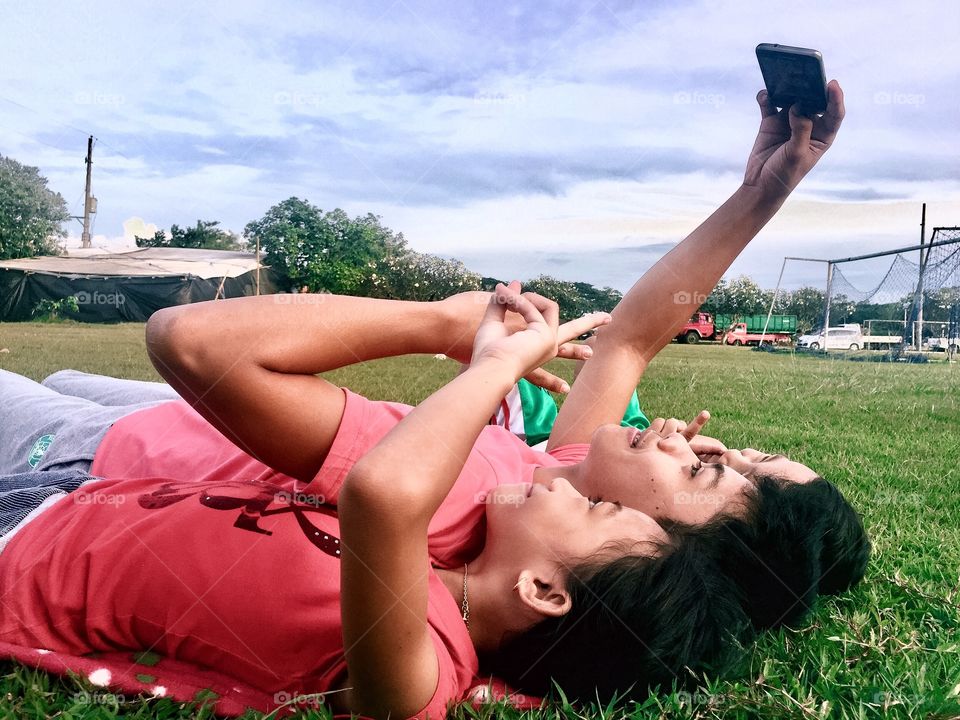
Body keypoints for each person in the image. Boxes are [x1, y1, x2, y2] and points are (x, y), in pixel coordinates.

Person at [0, 81, 864, 708]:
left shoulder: (472, 519)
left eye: (708, 472)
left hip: (112, 466)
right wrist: (764, 192)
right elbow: (637, 333)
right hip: (139, 463)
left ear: (664, 540)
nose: (693, 436)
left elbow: (371, 500)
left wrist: (466, 340)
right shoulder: (556, 477)